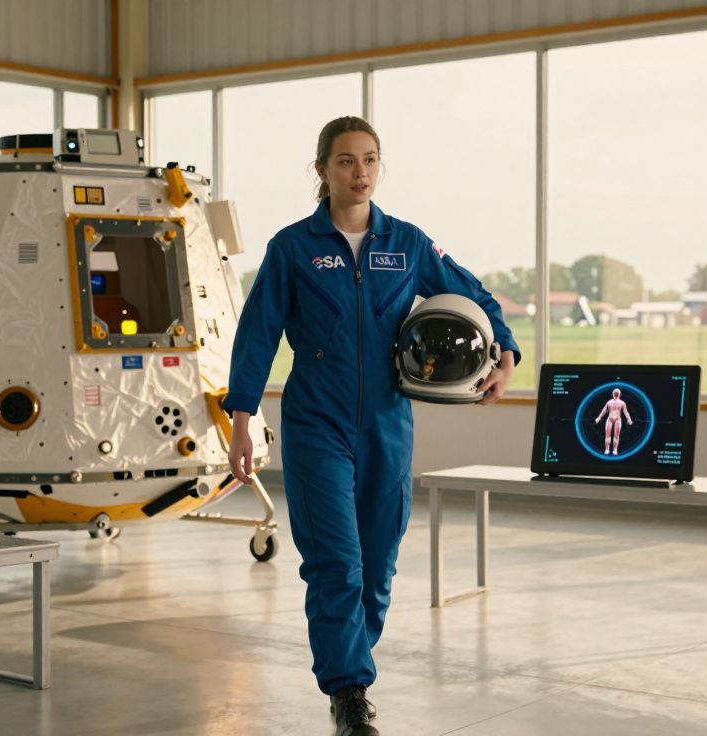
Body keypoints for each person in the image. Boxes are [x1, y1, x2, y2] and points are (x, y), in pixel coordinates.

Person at [223, 116, 520, 736]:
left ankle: (351, 662)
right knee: (337, 563)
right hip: (315, 418)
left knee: (379, 567)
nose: (360, 173)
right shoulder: (293, 248)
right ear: (322, 170)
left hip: (388, 421)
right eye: (346, 162)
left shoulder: (408, 244)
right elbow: (257, 336)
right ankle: (350, 692)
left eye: (370, 161)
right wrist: (242, 420)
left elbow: (476, 297)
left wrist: (506, 357)